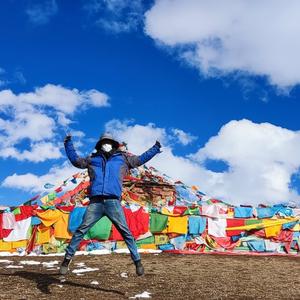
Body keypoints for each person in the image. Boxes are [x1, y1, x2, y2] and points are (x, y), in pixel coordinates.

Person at [60, 132, 161, 276]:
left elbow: (140, 159)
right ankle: (67, 259)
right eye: (103, 143)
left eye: (108, 142)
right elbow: (76, 161)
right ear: (100, 145)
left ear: (114, 144)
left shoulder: (123, 159)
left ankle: (137, 262)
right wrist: (68, 143)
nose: (106, 145)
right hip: (95, 203)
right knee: (81, 230)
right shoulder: (92, 160)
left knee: (126, 232)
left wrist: (155, 148)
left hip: (113, 202)